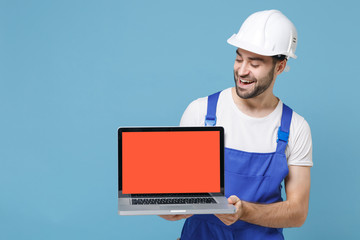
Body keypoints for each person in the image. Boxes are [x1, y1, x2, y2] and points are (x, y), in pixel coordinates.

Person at [160, 9, 312, 239]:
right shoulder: (200, 112)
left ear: (279, 67)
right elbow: (176, 192)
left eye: (255, 63)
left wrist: (245, 211)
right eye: (239, 58)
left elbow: (297, 212)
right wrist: (168, 209)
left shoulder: (295, 128)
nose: (242, 70)